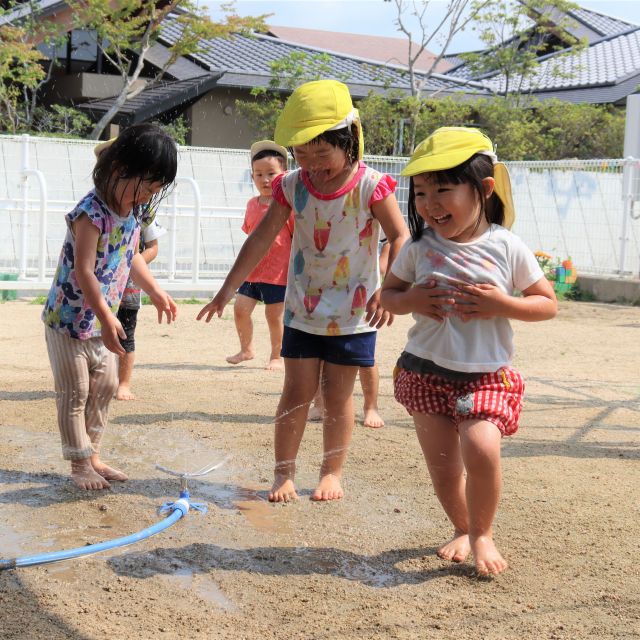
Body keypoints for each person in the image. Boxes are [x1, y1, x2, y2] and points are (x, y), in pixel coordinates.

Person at [198, 80, 410, 502]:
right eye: (302, 153)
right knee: (295, 392)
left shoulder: (372, 185)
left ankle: (331, 472)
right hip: (302, 309)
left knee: (337, 395)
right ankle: (283, 474)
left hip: (354, 313)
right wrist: (227, 289)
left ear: (348, 141)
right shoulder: (291, 185)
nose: (312, 163)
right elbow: (259, 240)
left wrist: (388, 288)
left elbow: (400, 237)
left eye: (322, 153)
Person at [381, 126, 557, 576]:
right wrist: (413, 300)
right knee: (442, 468)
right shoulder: (419, 247)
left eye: (443, 189)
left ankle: (482, 532)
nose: (430, 204)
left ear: (483, 189)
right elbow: (389, 296)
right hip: (424, 372)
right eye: (420, 192)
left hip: (483, 375)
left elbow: (547, 304)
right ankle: (462, 526)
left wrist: (505, 305)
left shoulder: (506, 246)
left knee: (480, 448)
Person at [42, 123, 178, 490]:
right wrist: (105, 315)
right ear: (119, 169)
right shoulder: (92, 212)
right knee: (76, 392)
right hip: (69, 321)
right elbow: (84, 270)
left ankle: (94, 454)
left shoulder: (132, 213)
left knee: (106, 386)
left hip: (103, 320)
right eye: (146, 186)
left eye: (155, 190)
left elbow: (131, 258)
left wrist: (154, 290)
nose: (148, 195)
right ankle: (78, 464)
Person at [90, 140, 169, 401]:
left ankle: (123, 382)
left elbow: (147, 249)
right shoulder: (93, 210)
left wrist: (146, 281)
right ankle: (97, 380)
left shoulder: (141, 211)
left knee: (126, 333)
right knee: (95, 334)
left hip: (129, 286)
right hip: (97, 288)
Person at [226, 140, 292, 371]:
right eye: (259, 174)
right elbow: (250, 234)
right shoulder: (251, 204)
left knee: (274, 317)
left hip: (278, 274)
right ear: (252, 177)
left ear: (284, 174)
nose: (265, 179)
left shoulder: (287, 205)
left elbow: (294, 237)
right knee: (240, 310)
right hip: (252, 271)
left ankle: (277, 356)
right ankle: (247, 349)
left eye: (271, 173)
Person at [309, 239, 390, 428]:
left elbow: (389, 244)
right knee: (319, 353)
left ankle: (371, 407)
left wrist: (380, 279)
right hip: (323, 289)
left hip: (361, 292)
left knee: (365, 358)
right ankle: (319, 403)